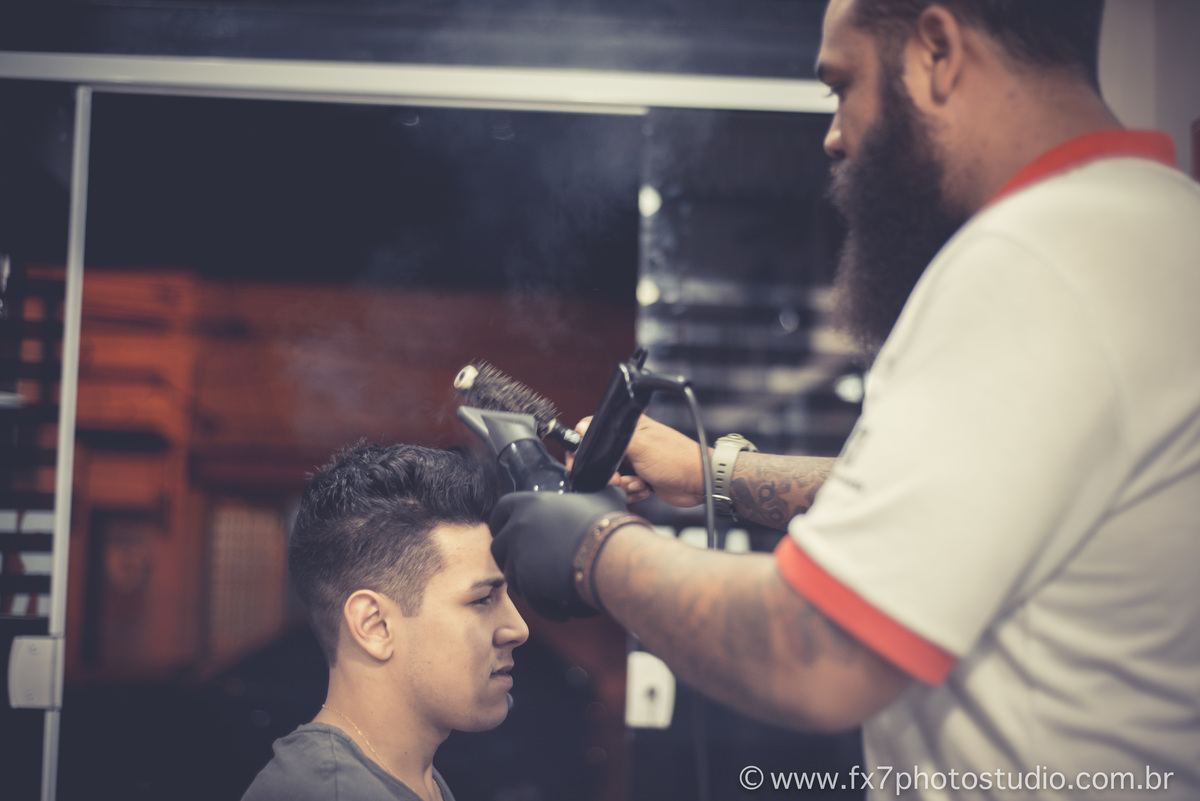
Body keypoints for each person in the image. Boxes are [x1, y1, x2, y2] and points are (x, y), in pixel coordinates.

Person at [489, 0, 1200, 797]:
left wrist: (594, 548)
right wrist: (716, 474)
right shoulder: (1158, 231)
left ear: (937, 51)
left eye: (843, 85)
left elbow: (815, 649)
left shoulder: (1030, 262)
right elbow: (956, 509)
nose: (833, 134)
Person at [243, 442, 529, 801]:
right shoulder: (330, 793)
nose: (518, 629)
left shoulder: (410, 778)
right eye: (482, 599)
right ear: (375, 625)